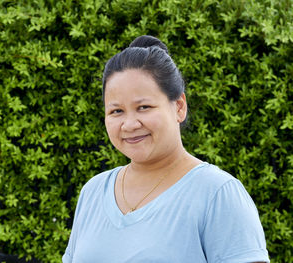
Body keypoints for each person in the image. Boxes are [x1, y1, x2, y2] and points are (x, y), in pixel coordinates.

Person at [62, 35, 270, 263]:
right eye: (116, 111)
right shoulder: (93, 192)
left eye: (144, 107)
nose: (130, 124)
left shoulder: (217, 194)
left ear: (179, 107)